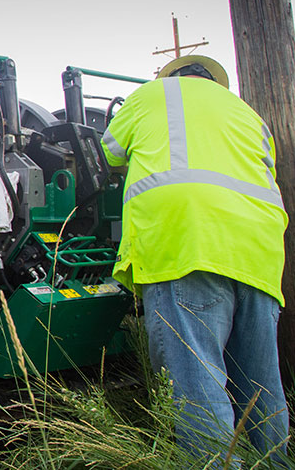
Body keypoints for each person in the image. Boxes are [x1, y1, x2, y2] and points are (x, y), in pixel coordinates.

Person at [100, 54, 289, 462]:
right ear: (214, 83)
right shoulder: (248, 114)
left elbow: (111, 152)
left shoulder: (151, 95)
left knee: (196, 379)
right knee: (260, 383)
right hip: (259, 250)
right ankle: (275, 461)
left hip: (186, 242)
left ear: (172, 77)